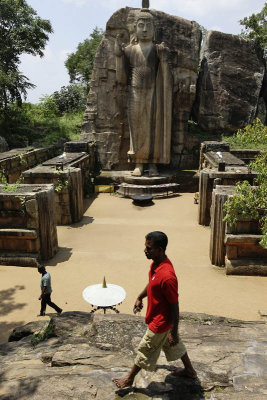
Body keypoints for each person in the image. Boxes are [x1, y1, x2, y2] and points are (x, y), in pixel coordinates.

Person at [112, 231, 197, 389]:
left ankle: (129, 379)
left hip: (160, 323)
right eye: (145, 247)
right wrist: (140, 296)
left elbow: (175, 306)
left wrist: (174, 330)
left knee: (145, 349)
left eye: (149, 248)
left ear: (160, 249)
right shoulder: (156, 264)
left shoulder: (167, 276)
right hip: (162, 319)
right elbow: (152, 284)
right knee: (175, 345)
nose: (145, 250)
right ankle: (190, 370)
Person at [115, 9, 173, 177]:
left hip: (154, 93)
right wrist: (119, 57)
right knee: (137, 128)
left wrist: (163, 59)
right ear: (135, 28)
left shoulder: (158, 49)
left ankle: (153, 163)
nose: (145, 30)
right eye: (141, 26)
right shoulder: (130, 50)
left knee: (154, 127)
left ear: (155, 29)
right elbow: (121, 79)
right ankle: (139, 163)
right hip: (135, 92)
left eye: (149, 26)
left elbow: (167, 77)